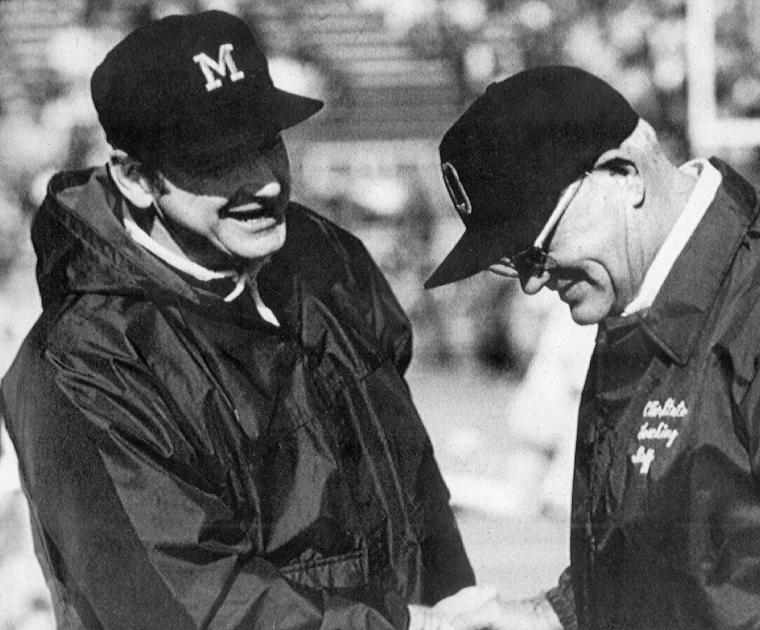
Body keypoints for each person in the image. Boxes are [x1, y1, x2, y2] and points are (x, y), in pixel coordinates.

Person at [423, 66, 760, 629]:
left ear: (623, 174)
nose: (533, 281)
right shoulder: (638, 302)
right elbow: (694, 560)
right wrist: (547, 616)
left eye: (537, 246)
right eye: (514, 263)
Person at [0, 11, 477, 629]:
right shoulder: (82, 361)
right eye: (216, 158)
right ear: (136, 179)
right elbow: (186, 607)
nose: (262, 182)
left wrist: (455, 609)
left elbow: (419, 495)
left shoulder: (327, 262)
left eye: (265, 142)